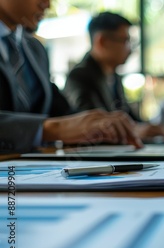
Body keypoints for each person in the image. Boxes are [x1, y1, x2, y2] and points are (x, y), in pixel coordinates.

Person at [0, 0, 142, 154]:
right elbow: (59, 126)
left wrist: (97, 124)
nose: (47, 4)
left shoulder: (35, 49)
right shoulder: (82, 74)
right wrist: (50, 129)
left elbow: (61, 112)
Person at [63, 12, 164, 140]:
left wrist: (150, 128)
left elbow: (127, 116)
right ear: (102, 42)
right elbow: (91, 125)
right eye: (125, 41)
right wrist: (135, 131)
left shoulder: (114, 76)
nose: (130, 49)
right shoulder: (79, 77)